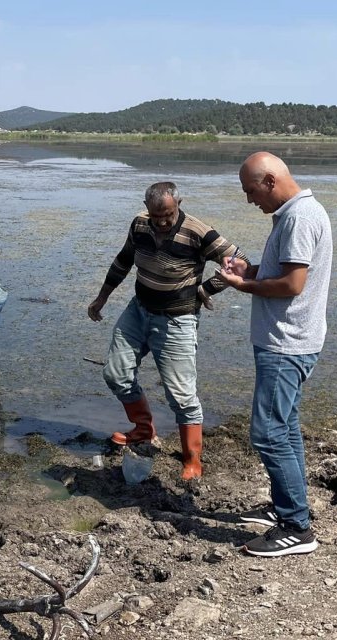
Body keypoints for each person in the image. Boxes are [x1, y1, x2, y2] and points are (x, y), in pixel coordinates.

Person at [88, 181, 245, 480]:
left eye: (168, 215)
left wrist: (207, 288)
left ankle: (192, 460)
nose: (161, 222)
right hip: (139, 310)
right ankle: (144, 430)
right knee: (115, 374)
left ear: (179, 204)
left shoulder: (199, 232)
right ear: (147, 208)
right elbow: (123, 261)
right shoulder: (139, 224)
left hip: (177, 321)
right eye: (155, 215)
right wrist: (101, 298)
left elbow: (240, 263)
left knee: (181, 397)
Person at [218, 152, 332, 557]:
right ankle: (289, 507)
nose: (250, 200)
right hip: (292, 340)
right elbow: (282, 274)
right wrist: (250, 271)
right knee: (285, 428)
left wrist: (241, 286)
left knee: (267, 433)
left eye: (251, 191)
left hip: (287, 344)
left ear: (269, 181)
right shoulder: (296, 214)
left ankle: (296, 527)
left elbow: (292, 285)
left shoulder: (300, 218)